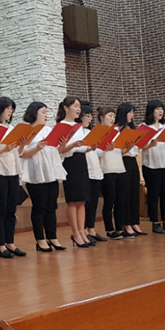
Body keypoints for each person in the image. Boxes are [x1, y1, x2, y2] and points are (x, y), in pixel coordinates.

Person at [19, 101, 67, 252]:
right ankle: (40, 239)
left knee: (51, 206)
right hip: (35, 172)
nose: (46, 115)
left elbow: (57, 151)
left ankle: (52, 236)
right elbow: (21, 153)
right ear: (34, 113)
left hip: (50, 171)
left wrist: (63, 144)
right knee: (39, 206)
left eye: (47, 112)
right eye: (43, 112)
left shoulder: (49, 130)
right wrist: (37, 148)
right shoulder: (27, 131)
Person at [0, 96, 26, 259]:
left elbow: (18, 153)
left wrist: (22, 144)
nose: (10, 112)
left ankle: (10, 242)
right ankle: (0, 245)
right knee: (0, 209)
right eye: (7, 108)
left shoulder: (11, 128)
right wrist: (5, 148)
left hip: (13, 171)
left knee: (11, 209)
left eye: (12, 109)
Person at [57, 96, 92, 248]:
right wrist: (73, 145)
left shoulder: (80, 127)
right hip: (70, 163)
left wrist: (92, 146)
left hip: (81, 161)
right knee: (73, 200)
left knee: (82, 200)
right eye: (75, 106)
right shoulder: (61, 126)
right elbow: (60, 150)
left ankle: (83, 232)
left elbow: (84, 146)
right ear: (66, 108)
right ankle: (75, 233)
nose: (78, 109)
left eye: (79, 106)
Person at [140, 100, 165, 234]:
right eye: (157, 109)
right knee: (153, 195)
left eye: (162, 109)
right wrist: (150, 145)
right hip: (151, 165)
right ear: (151, 111)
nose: (161, 111)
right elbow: (140, 147)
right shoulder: (143, 127)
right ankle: (155, 223)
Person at [97, 107, 133, 239]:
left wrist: (127, 148)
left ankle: (119, 227)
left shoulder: (116, 131)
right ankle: (109, 229)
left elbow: (119, 152)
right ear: (102, 117)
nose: (112, 118)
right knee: (109, 201)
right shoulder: (98, 132)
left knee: (120, 200)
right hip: (107, 170)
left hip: (120, 168)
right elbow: (96, 152)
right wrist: (106, 149)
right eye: (109, 116)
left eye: (113, 116)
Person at [115, 103, 146, 236]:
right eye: (130, 112)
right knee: (125, 193)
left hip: (133, 160)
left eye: (133, 112)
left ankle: (135, 222)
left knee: (134, 192)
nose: (132, 115)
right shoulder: (117, 129)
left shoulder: (132, 129)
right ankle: (126, 223)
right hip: (123, 161)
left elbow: (136, 148)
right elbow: (117, 149)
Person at [79, 103, 106, 243]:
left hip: (95, 170)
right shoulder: (78, 133)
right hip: (85, 171)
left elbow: (98, 153)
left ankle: (91, 228)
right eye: (87, 116)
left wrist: (105, 147)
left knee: (94, 202)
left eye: (90, 116)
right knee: (86, 203)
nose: (89, 119)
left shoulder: (91, 132)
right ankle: (83, 229)